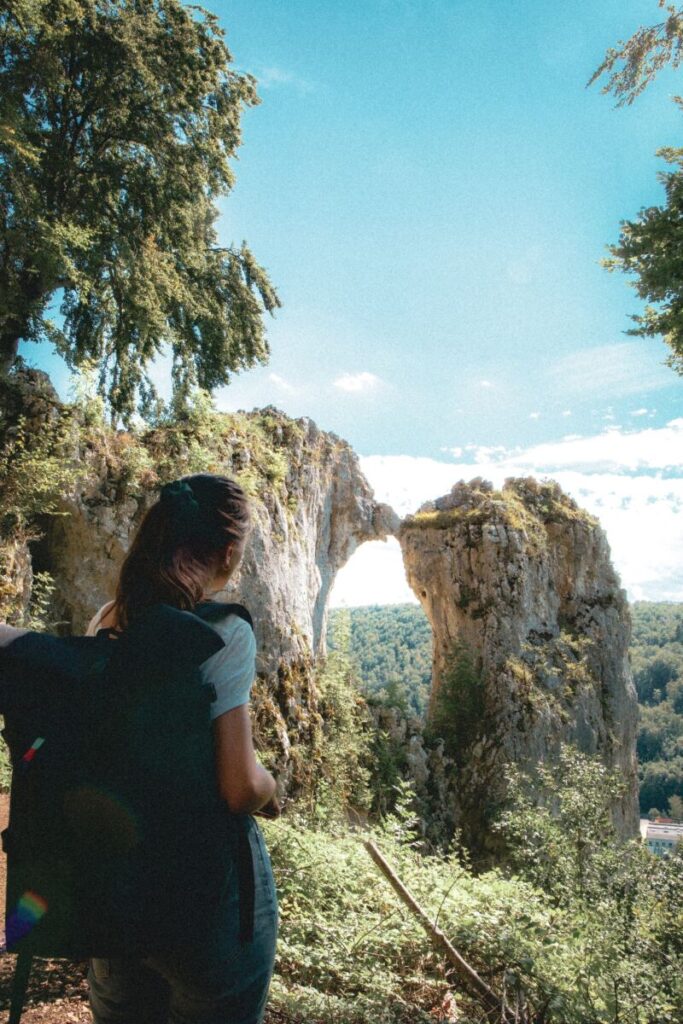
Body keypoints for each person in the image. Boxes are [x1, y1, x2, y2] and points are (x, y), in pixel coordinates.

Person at [84, 473, 279, 1024]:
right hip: (204, 899)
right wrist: (272, 787)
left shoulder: (108, 620)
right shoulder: (224, 632)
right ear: (228, 550)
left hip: (119, 888)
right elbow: (238, 787)